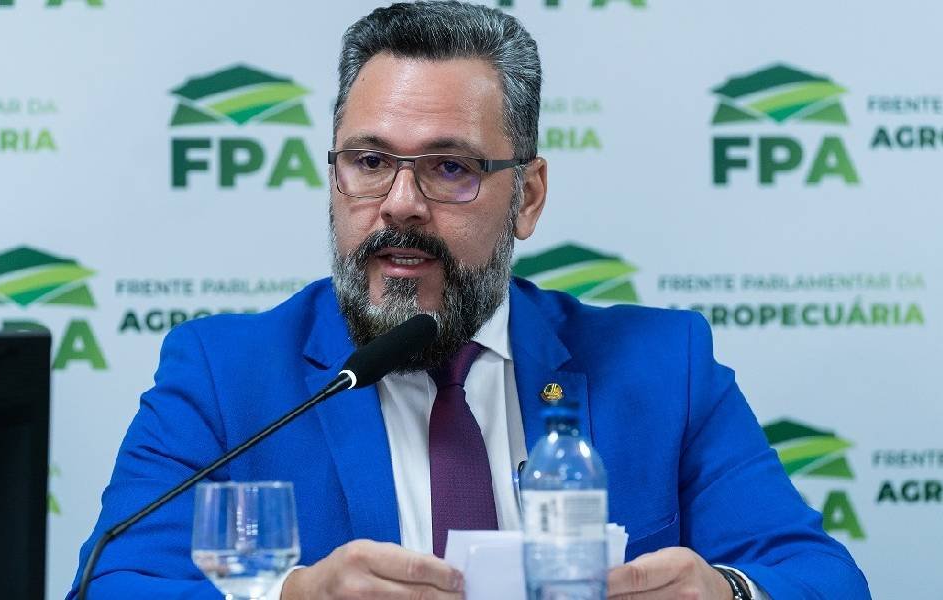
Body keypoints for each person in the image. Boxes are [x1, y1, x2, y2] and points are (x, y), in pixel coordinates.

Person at [70, 2, 871, 599]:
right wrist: (289, 597)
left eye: (449, 168)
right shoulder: (225, 375)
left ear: (528, 196)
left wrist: (728, 592)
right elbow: (111, 583)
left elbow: (820, 577)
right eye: (370, 161)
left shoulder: (666, 369)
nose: (400, 204)